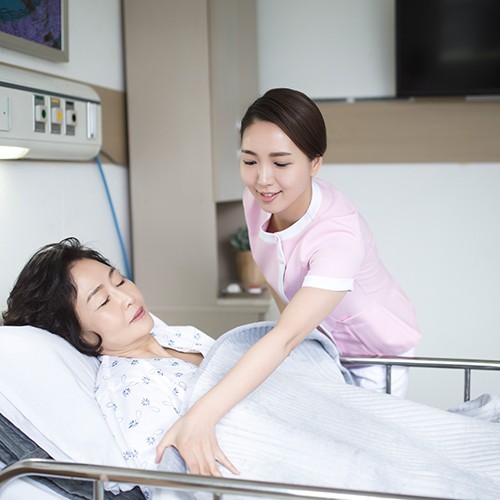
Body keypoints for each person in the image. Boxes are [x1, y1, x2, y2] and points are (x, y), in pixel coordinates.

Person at [155, 88, 421, 476]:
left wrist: (202, 415)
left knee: (366, 465)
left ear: (315, 163)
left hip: (372, 355)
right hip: (318, 345)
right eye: (249, 160)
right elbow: (278, 282)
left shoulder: (338, 235)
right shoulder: (257, 201)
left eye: (281, 163)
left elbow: (284, 337)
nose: (263, 179)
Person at [2, 237, 216, 472]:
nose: (128, 299)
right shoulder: (133, 387)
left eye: (120, 281)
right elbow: (170, 475)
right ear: (78, 334)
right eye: (104, 301)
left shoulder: (180, 336)